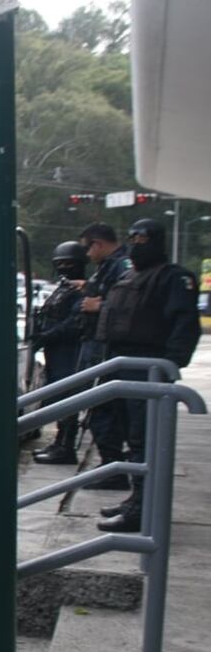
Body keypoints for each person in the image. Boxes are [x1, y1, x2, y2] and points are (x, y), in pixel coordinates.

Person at [95, 219, 201, 532]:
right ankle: (136, 498)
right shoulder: (130, 276)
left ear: (156, 241)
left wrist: (170, 366)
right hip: (121, 364)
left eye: (142, 238)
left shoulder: (173, 277)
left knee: (145, 441)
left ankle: (143, 509)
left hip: (149, 368)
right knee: (130, 436)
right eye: (132, 237)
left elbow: (185, 325)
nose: (136, 243)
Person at [74, 223, 132, 489]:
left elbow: (133, 304)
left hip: (106, 348)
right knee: (97, 409)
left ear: (97, 243)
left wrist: (101, 306)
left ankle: (114, 470)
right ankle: (110, 466)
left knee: (104, 411)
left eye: (88, 248)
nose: (87, 255)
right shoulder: (109, 267)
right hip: (97, 344)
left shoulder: (123, 266)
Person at [32, 241, 89, 464]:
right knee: (57, 397)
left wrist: (49, 335)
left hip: (70, 352)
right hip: (54, 352)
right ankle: (59, 442)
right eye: (60, 264)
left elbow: (75, 323)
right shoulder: (62, 288)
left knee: (68, 397)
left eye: (69, 263)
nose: (65, 267)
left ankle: (66, 446)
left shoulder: (81, 289)